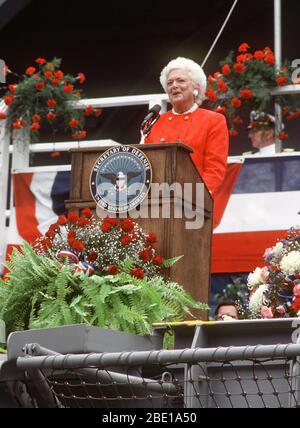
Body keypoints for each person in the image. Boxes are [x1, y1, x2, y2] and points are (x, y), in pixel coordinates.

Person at [145, 57, 229, 196]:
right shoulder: (155, 123)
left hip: (194, 204)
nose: (174, 86)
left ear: (196, 86)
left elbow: (215, 169)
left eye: (181, 80)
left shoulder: (213, 120)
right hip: (157, 202)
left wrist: (196, 197)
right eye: (170, 83)